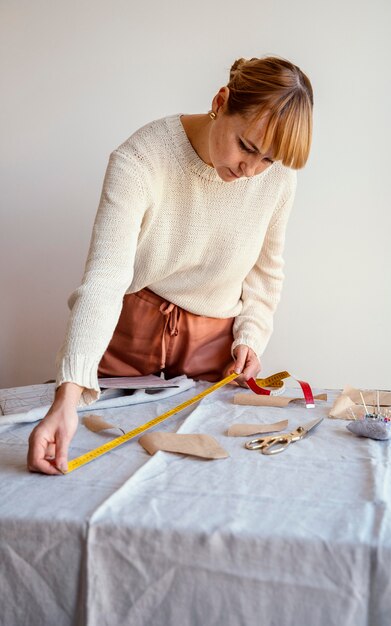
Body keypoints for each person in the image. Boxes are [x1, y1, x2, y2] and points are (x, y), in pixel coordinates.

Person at [27, 55, 314, 475]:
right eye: (247, 147)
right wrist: (67, 398)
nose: (251, 170)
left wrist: (251, 337)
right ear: (221, 101)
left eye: (267, 160)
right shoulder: (141, 159)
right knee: (97, 467)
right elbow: (105, 280)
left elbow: (265, 273)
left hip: (214, 351)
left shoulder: (279, 179)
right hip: (125, 343)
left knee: (204, 480)